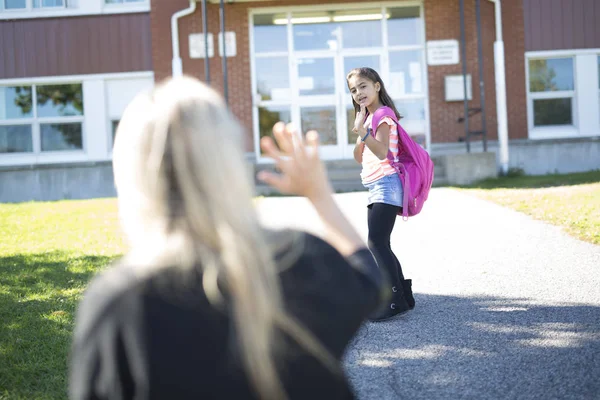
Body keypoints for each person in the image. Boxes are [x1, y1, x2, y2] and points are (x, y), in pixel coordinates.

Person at [68, 76, 387, 400]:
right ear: (229, 162)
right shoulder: (300, 259)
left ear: (133, 173)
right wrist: (319, 194)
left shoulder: (118, 304)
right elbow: (371, 282)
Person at [347, 67, 415, 321]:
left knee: (376, 243)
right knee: (380, 243)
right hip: (376, 185)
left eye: (363, 86)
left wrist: (365, 132)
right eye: (353, 90)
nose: (358, 93)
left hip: (387, 184)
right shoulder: (368, 118)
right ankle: (405, 296)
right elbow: (359, 157)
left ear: (377, 86)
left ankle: (394, 299)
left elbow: (384, 152)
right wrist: (360, 131)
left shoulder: (384, 115)